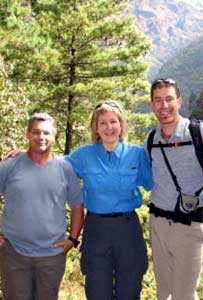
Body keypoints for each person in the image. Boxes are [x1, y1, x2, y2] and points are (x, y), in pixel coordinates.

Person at [0, 112, 84, 300]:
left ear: (54, 136)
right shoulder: (10, 166)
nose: (41, 137)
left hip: (52, 255)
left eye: (46, 133)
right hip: (14, 252)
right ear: (28, 134)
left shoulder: (65, 169)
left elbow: (77, 206)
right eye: (36, 132)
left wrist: (72, 239)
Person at [64, 101, 153, 300]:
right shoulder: (83, 155)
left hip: (127, 228)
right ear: (96, 127)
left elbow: (154, 182)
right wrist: (26, 156)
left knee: (129, 288)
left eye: (113, 122)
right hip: (96, 228)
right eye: (102, 123)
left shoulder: (136, 154)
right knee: (97, 289)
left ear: (121, 125)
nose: (109, 127)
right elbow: (53, 166)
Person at [145, 78, 203, 300]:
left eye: (169, 99)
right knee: (163, 292)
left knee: (184, 294)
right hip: (157, 223)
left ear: (179, 101)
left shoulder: (199, 133)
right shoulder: (151, 139)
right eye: (158, 100)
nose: (163, 106)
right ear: (152, 104)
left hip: (189, 225)